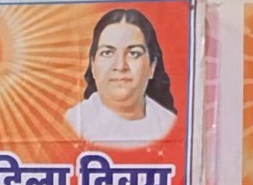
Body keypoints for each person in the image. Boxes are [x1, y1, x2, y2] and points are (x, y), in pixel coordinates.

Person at [64, 8, 178, 148]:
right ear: (93, 65)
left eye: (133, 54)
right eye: (107, 53)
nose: (120, 66)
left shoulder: (169, 124)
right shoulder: (71, 123)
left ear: (152, 66)